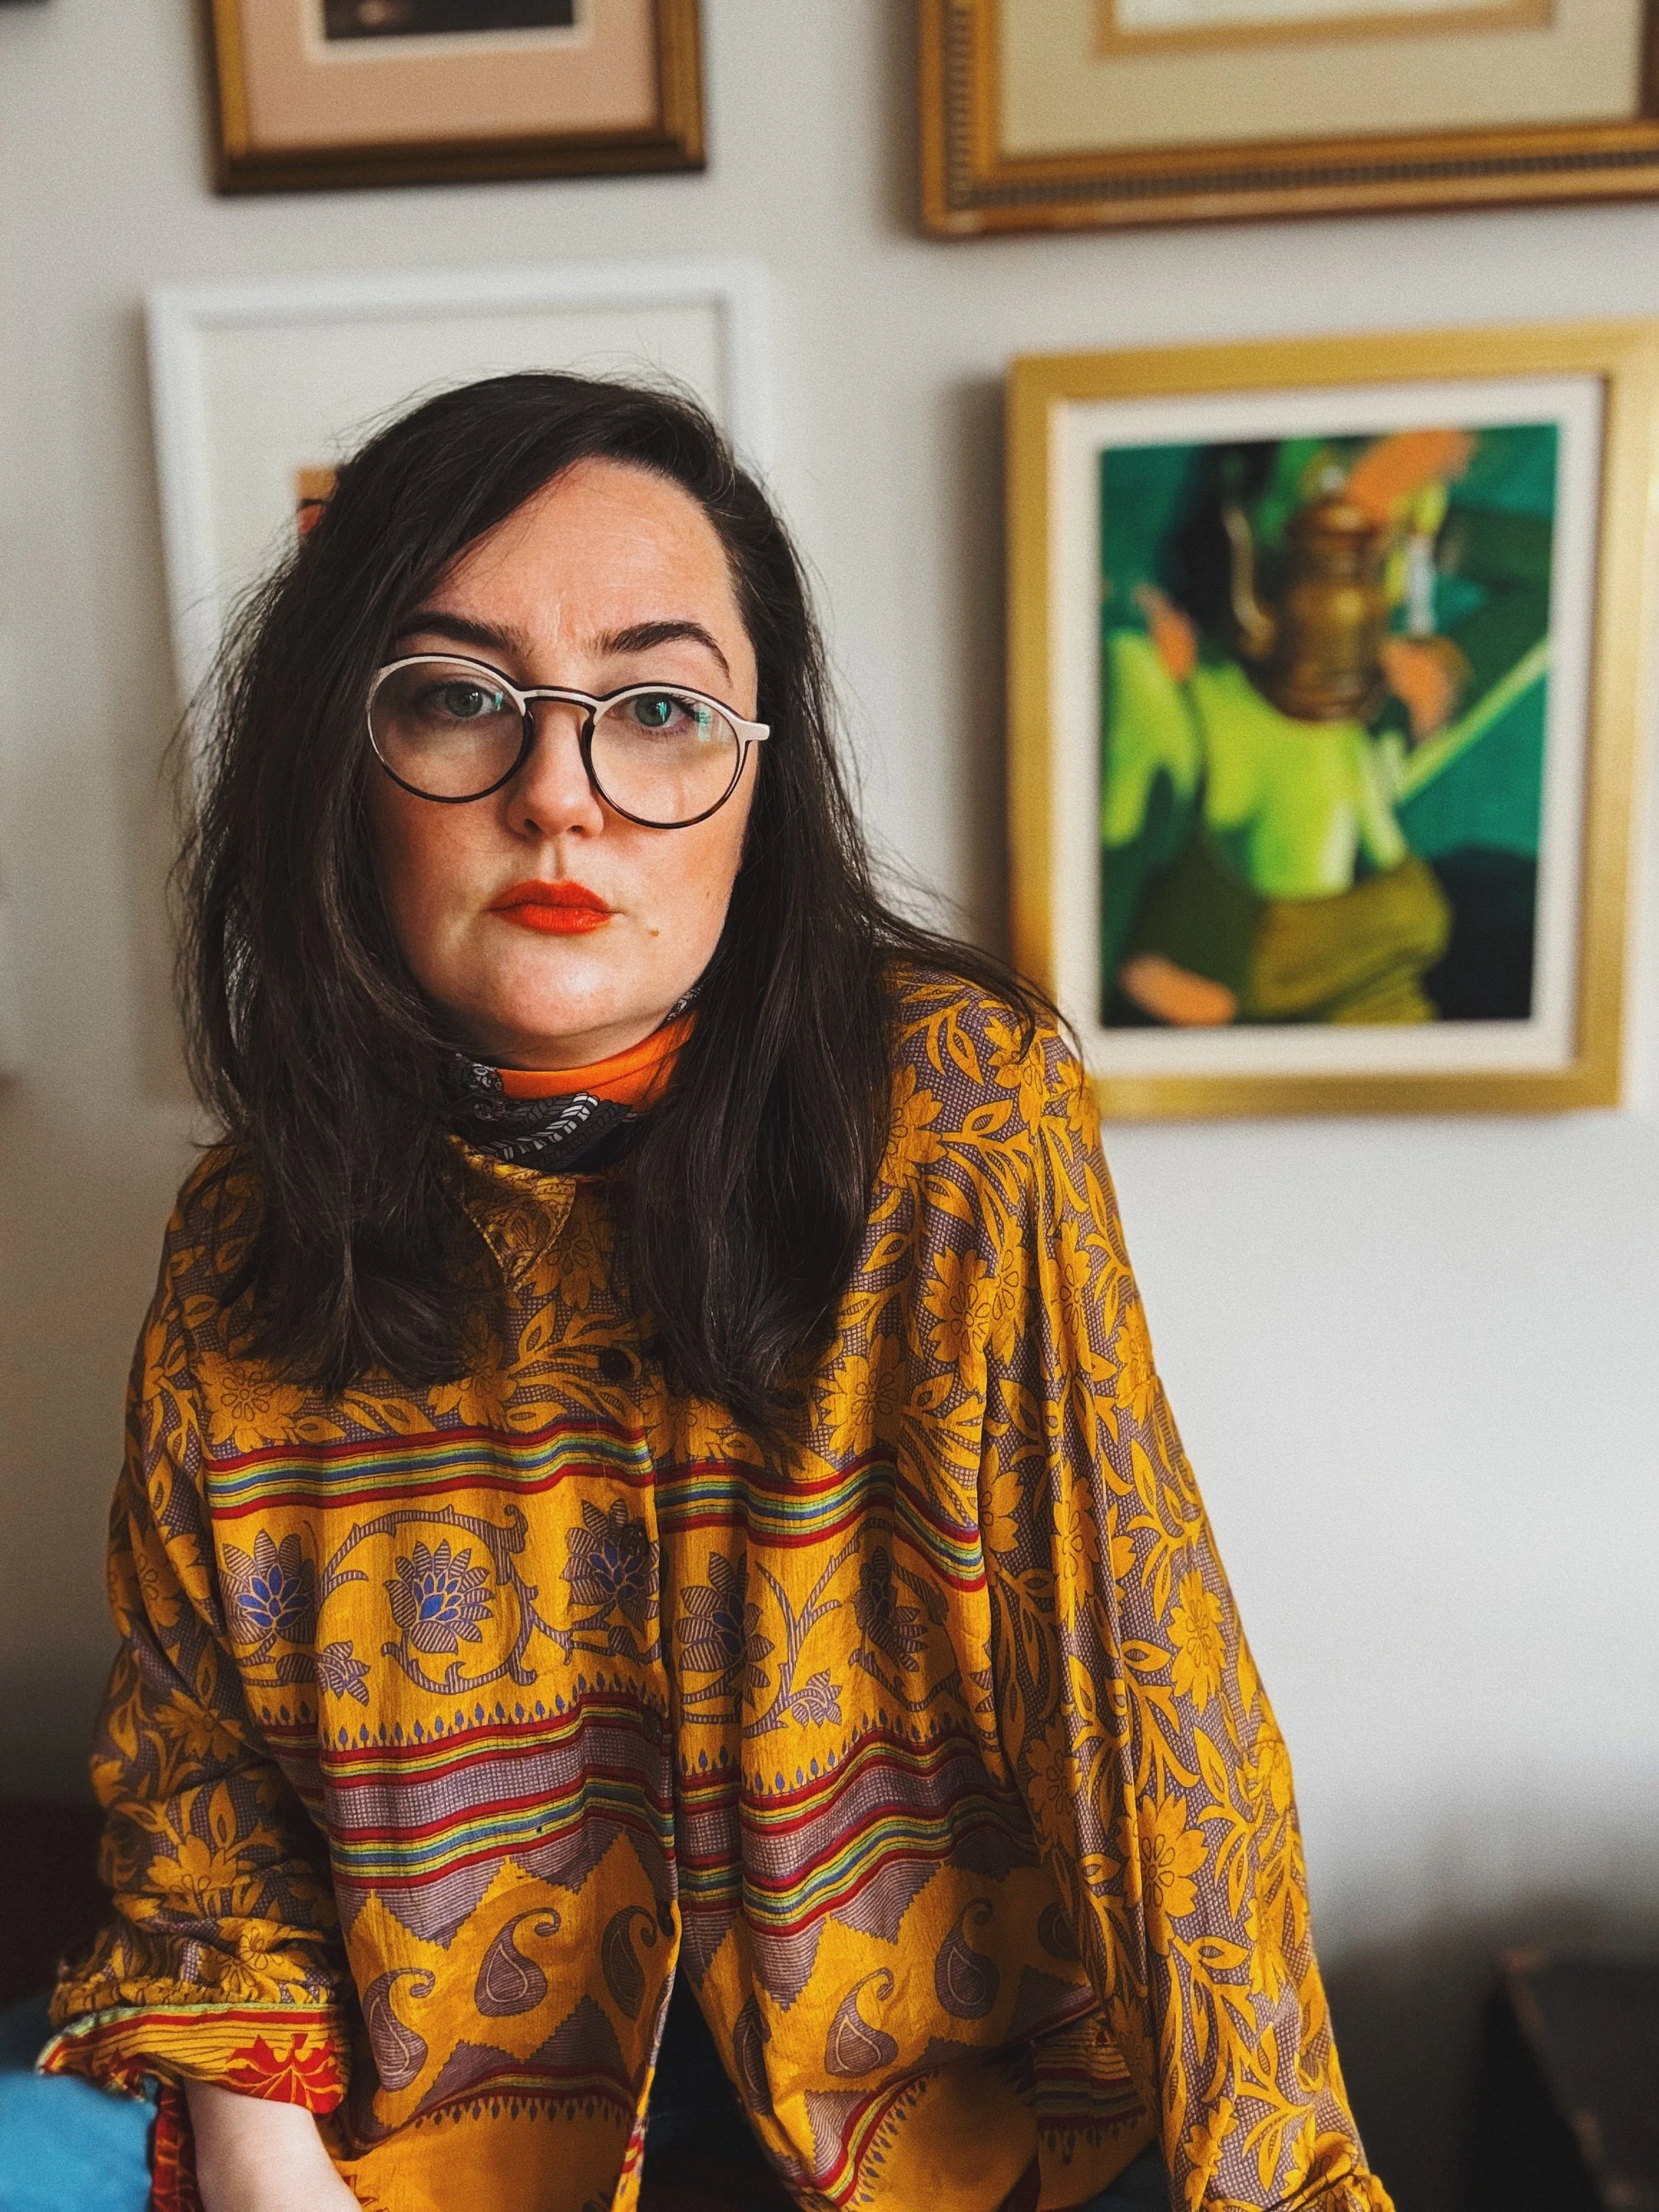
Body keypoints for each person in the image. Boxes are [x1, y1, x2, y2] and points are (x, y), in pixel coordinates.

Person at [41, 374, 1390, 2212]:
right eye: (457, 698)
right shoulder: (240, 1236)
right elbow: (204, 1817)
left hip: (920, 2140)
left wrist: (1287, 2186)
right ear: (334, 765)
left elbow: (1144, 1708)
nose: (559, 797)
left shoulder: (955, 1115)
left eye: (657, 711)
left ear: (759, 775)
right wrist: (281, 2177)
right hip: (421, 2141)